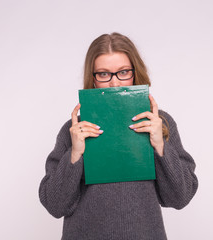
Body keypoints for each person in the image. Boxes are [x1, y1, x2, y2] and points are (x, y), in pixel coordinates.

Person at [39, 32, 198, 240]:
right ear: (93, 78)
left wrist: (160, 147)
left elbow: (181, 197)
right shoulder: (74, 129)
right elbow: (54, 205)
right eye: (104, 74)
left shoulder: (160, 123)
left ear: (135, 73)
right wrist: (74, 154)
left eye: (123, 72)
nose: (115, 83)